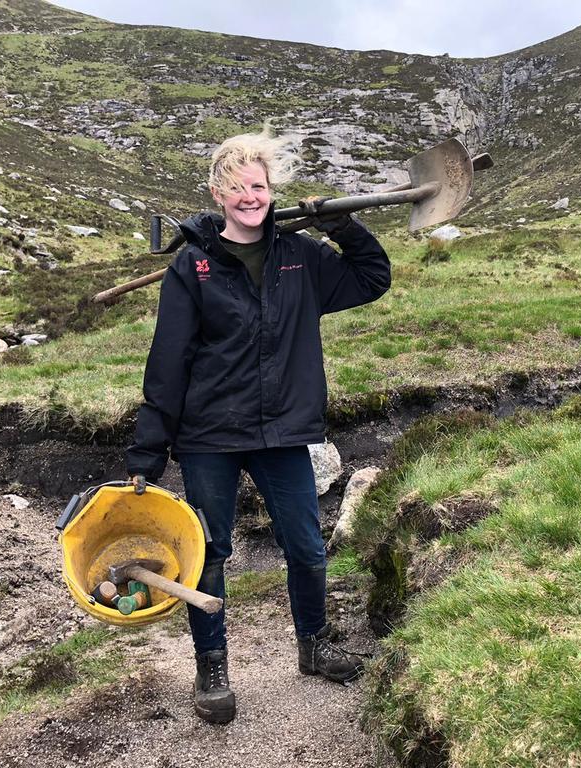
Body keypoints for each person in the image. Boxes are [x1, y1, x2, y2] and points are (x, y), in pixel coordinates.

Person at [125, 127, 391, 724]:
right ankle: (212, 665)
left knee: (306, 544)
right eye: (240, 187)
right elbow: (168, 364)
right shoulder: (191, 266)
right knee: (210, 551)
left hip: (283, 432)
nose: (253, 197)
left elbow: (372, 279)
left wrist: (342, 227)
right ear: (219, 193)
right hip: (209, 436)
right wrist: (148, 451)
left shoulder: (302, 257)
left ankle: (314, 644)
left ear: (273, 192)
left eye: (262, 187)